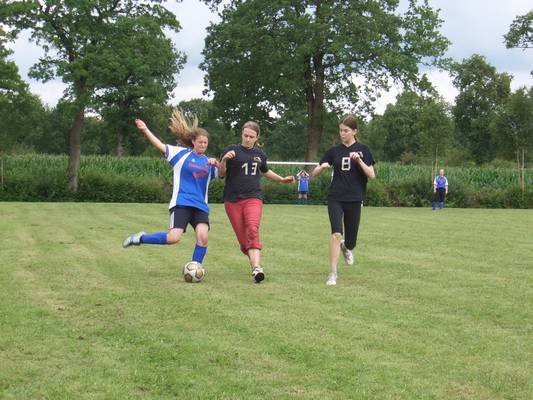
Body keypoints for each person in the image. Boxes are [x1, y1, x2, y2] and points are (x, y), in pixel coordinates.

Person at [122, 110, 218, 270]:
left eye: (205, 143)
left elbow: (223, 173)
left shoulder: (209, 163)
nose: (203, 145)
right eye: (200, 142)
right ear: (193, 141)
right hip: (181, 203)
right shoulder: (180, 154)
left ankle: (195, 268)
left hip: (200, 206)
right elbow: (160, 145)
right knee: (174, 238)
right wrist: (145, 130)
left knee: (203, 237)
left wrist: (220, 163)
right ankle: (141, 238)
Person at [218, 121, 294, 283]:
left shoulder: (260, 154)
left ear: (257, 137)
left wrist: (281, 179)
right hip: (232, 201)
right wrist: (223, 160)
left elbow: (265, 171)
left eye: (251, 137)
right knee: (244, 242)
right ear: (241, 134)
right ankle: (254, 261)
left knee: (252, 229)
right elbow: (221, 174)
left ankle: (256, 269)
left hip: (253, 198)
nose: (247, 139)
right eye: (245, 135)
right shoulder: (231, 150)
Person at [311, 114, 375, 286]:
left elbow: (372, 175)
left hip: (354, 198)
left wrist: (359, 161)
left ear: (354, 131)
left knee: (351, 241)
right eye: (340, 130)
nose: (342, 134)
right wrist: (322, 168)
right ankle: (332, 273)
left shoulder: (364, 150)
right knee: (336, 233)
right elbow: (313, 173)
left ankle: (347, 248)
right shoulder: (334, 151)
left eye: (346, 131)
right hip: (336, 197)